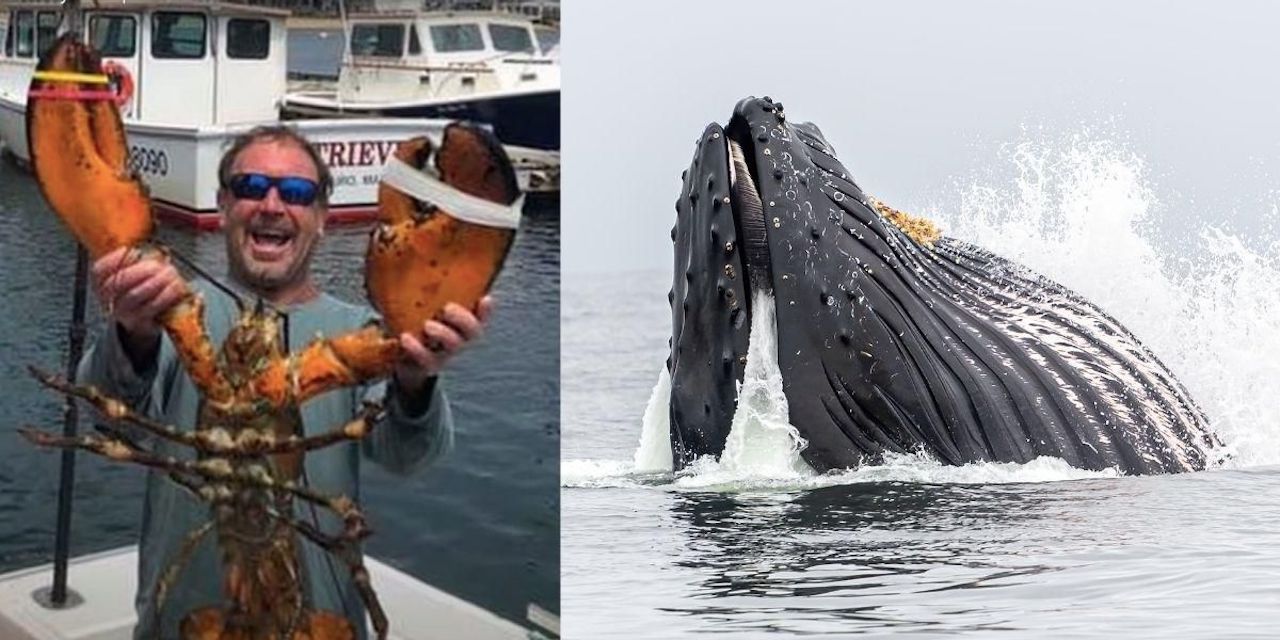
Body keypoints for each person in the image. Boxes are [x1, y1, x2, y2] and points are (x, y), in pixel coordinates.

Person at [78, 125, 488, 639]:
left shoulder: (366, 337)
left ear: (322, 218)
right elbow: (111, 422)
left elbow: (408, 457)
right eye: (251, 187)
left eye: (296, 193)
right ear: (224, 205)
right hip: (180, 621)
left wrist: (414, 380)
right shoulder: (168, 310)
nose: (272, 204)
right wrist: (131, 332)